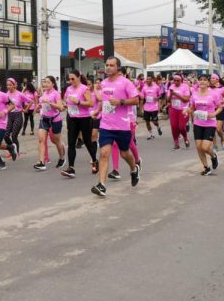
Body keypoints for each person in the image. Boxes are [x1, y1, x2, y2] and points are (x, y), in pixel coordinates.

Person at [91, 57, 139, 197]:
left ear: (118, 67)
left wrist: (120, 102)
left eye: (111, 65)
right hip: (106, 125)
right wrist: (98, 111)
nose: (108, 68)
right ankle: (101, 185)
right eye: (107, 65)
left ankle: (133, 168)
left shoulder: (126, 83)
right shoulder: (104, 83)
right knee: (104, 153)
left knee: (125, 153)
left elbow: (136, 100)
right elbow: (105, 102)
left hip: (122, 125)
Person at [61, 70, 97, 178]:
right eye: (69, 79)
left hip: (84, 119)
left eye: (73, 79)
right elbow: (64, 100)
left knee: (87, 142)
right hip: (72, 118)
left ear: (79, 78)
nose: (71, 81)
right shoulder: (68, 89)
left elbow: (91, 103)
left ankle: (95, 161)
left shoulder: (84, 88)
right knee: (71, 143)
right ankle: (71, 168)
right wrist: (64, 104)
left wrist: (78, 102)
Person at [184, 75, 221, 176]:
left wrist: (214, 114)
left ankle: (213, 156)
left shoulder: (213, 94)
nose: (202, 82)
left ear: (208, 83)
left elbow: (220, 107)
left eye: (205, 80)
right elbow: (192, 108)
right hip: (198, 123)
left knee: (205, 147)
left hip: (210, 123)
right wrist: (186, 110)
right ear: (198, 82)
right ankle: (206, 167)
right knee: (198, 147)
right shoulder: (195, 94)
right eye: (200, 80)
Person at [33, 76, 66, 171]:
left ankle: (62, 158)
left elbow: (60, 107)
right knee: (41, 140)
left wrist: (50, 103)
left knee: (56, 141)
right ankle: (41, 162)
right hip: (44, 119)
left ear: (53, 84)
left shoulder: (56, 94)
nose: (45, 84)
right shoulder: (43, 95)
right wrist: (37, 107)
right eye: (44, 82)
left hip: (55, 120)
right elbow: (37, 110)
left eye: (48, 82)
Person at [3, 78, 26, 161]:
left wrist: (25, 109)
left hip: (18, 115)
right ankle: (12, 149)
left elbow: (30, 101)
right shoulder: (6, 94)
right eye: (7, 85)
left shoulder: (20, 94)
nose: (8, 86)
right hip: (9, 116)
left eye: (10, 85)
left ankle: (17, 152)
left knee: (14, 136)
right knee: (5, 135)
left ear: (14, 85)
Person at [167, 74, 191, 150]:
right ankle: (176, 143)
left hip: (183, 109)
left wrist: (176, 94)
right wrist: (171, 94)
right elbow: (168, 100)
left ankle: (185, 138)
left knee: (181, 127)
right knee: (174, 126)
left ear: (181, 80)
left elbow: (186, 99)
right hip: (173, 108)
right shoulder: (171, 87)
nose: (176, 82)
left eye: (178, 80)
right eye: (174, 80)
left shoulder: (185, 87)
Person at [140, 75, 163, 140]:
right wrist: (141, 108)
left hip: (154, 107)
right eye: (147, 79)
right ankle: (151, 134)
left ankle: (158, 127)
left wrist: (157, 98)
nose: (148, 80)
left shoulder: (156, 87)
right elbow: (142, 97)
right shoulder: (144, 87)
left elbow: (160, 95)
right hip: (146, 107)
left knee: (154, 121)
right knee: (147, 122)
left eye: (149, 79)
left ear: (152, 80)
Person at [210, 74, 224, 150]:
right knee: (212, 129)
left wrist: (221, 102)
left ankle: (222, 139)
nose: (212, 79)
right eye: (211, 78)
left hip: (220, 109)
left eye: (214, 78)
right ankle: (215, 145)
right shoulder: (208, 88)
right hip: (211, 110)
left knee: (218, 129)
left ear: (217, 80)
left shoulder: (222, 88)